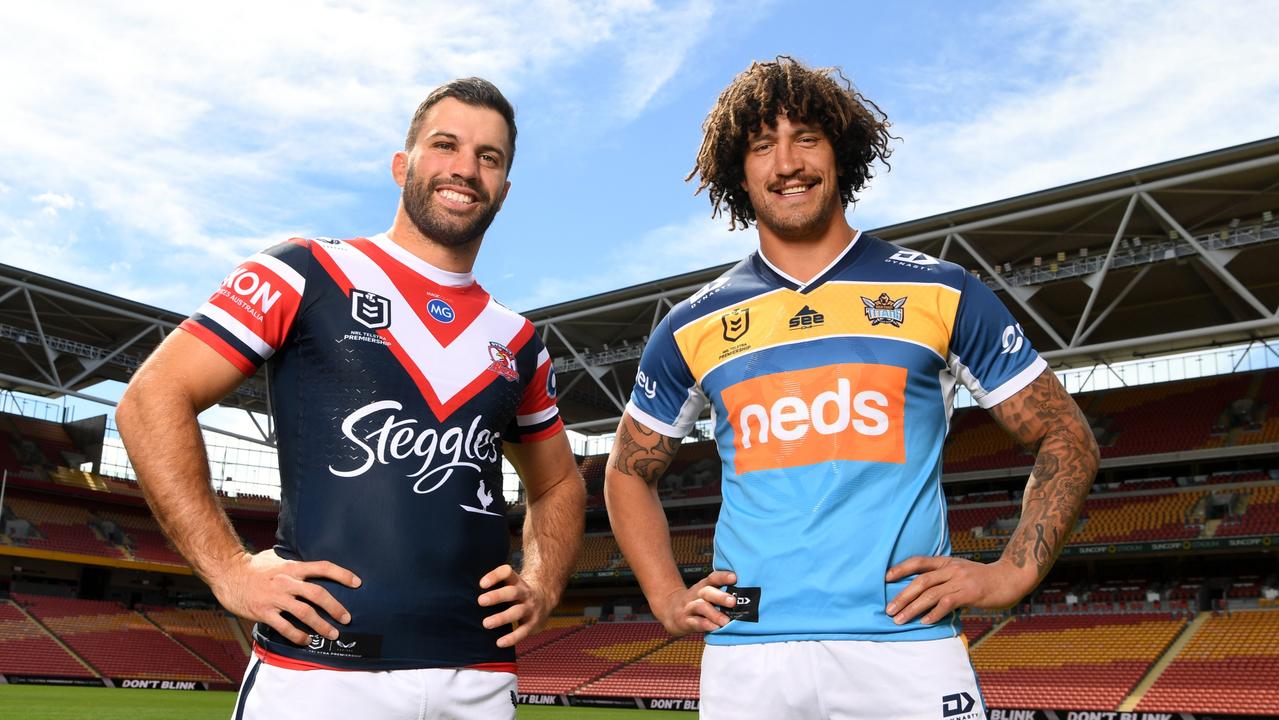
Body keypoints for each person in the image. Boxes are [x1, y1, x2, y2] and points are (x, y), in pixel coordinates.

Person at [604, 57, 1099, 720]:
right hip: (747, 653)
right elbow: (627, 472)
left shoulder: (940, 291)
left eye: (806, 138)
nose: (786, 164)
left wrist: (1009, 574)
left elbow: (1065, 436)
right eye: (761, 146)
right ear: (738, 171)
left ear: (841, 152)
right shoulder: (693, 324)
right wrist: (666, 595)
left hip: (905, 646)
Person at [117, 77, 585, 720]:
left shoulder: (521, 340)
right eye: (445, 144)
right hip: (319, 675)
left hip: (478, 680)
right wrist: (228, 568)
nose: (465, 168)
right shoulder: (306, 269)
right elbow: (152, 399)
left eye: (489, 157)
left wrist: (542, 581)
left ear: (504, 187)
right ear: (403, 165)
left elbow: (559, 483)